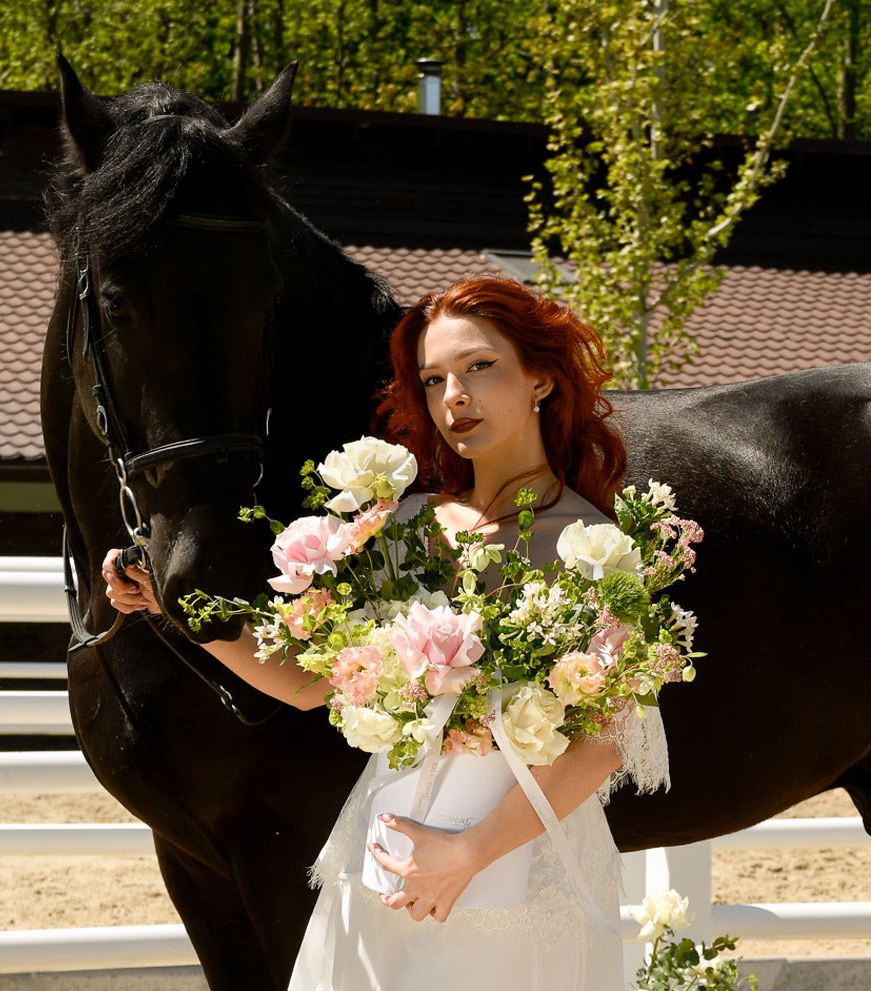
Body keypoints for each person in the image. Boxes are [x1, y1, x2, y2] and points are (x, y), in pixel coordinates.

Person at [103, 278, 669, 990]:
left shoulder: (595, 545)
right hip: (385, 856)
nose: (453, 395)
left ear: (542, 380)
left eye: (479, 367)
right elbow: (313, 685)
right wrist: (179, 615)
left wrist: (467, 854)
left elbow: (603, 743)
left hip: (519, 870)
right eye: (434, 379)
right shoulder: (404, 528)